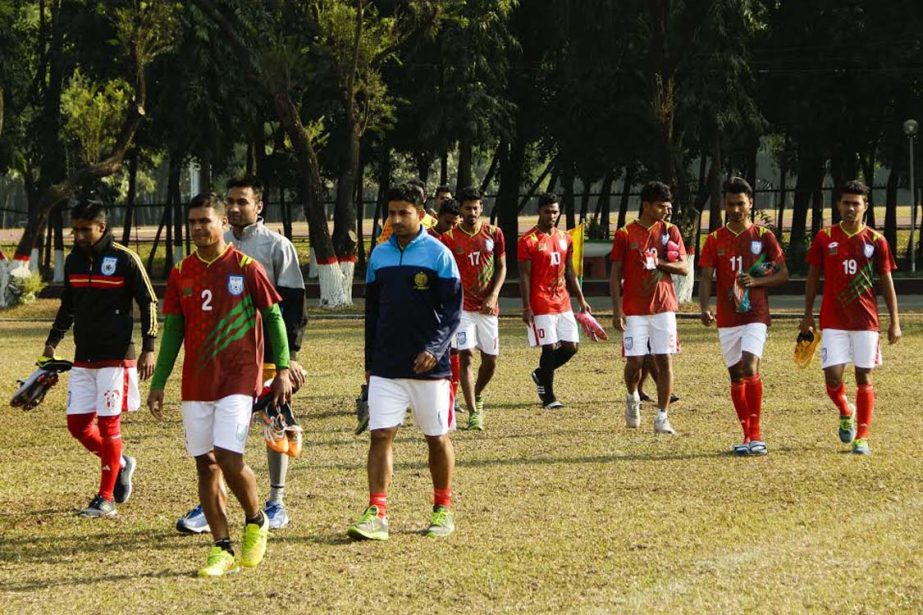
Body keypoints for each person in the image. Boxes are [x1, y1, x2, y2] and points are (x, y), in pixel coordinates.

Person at [148, 192, 292, 577]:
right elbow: (174, 331)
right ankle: (221, 547)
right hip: (196, 383)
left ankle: (256, 519)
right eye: (193, 222)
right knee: (205, 465)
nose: (198, 228)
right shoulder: (181, 272)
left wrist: (281, 368)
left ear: (223, 224)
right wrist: (159, 381)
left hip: (239, 378)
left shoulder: (246, 267)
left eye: (205, 221)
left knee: (229, 457)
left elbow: (274, 317)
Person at [175, 176, 307, 534]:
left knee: (273, 425)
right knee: (221, 440)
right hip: (222, 360)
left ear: (258, 206)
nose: (234, 209)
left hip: (264, 357)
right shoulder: (216, 241)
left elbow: (291, 306)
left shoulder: (277, 246)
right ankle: (211, 505)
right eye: (230, 202)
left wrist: (288, 358)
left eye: (242, 202)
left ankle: (276, 501)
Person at [347, 183, 462, 541]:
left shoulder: (440, 255)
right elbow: (372, 315)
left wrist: (435, 349)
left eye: (403, 213)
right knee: (380, 435)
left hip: (430, 368)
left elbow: (453, 313)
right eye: (391, 212)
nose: (396, 219)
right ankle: (377, 513)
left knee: (435, 437)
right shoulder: (379, 256)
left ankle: (442, 509)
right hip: (386, 366)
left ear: (420, 212)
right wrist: (369, 362)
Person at [43, 199, 157, 517]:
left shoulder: (124, 258)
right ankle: (120, 462)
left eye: (84, 229)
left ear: (101, 227)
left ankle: (105, 499)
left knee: (109, 425)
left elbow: (148, 301)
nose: (78, 235)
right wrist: (53, 340)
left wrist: (149, 347)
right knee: (78, 425)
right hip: (84, 355)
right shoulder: (73, 262)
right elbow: (69, 305)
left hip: (117, 356)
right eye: (75, 229)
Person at [800, 180, 901, 455]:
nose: (850, 208)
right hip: (832, 320)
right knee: (832, 378)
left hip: (866, 321)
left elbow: (887, 281)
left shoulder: (877, 241)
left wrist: (895, 321)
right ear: (838, 205)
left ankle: (862, 437)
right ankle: (846, 410)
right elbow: (812, 277)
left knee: (864, 376)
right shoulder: (824, 237)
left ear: (865, 207)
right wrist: (807, 313)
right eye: (846, 202)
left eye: (856, 203)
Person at [699, 177, 789, 455]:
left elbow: (783, 274)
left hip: (756, 314)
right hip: (728, 317)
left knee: (750, 367)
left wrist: (756, 282)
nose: (735, 209)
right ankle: (746, 435)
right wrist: (704, 306)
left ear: (750, 204)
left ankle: (756, 433)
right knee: (736, 376)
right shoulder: (714, 239)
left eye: (740, 203)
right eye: (730, 204)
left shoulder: (763, 237)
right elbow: (705, 277)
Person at [609, 181, 689, 434]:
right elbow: (615, 274)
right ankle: (632, 396)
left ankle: (662, 417)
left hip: (664, 305)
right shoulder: (625, 233)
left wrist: (660, 263)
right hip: (634, 308)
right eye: (661, 207)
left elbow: (684, 267)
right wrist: (616, 309)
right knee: (635, 361)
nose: (666, 211)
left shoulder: (670, 231)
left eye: (668, 206)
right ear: (646, 205)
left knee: (664, 359)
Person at [441, 187, 507, 430]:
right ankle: (472, 413)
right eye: (467, 208)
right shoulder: (449, 238)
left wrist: (493, 295)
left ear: (482, 208)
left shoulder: (494, 233)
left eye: (475, 207)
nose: (471, 212)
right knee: (466, 356)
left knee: (490, 361)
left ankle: (477, 394)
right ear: (461, 209)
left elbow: (502, 267)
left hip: (488, 308)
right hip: (462, 309)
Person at [518, 193, 591, 410]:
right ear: (539, 211)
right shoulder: (528, 241)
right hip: (540, 301)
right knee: (548, 348)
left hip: (563, 300)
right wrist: (526, 306)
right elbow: (524, 276)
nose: (552, 215)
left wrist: (581, 298)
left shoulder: (565, 238)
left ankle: (541, 373)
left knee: (571, 347)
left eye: (555, 211)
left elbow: (570, 271)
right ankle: (548, 396)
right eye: (547, 211)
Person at [376, 180, 437, 245]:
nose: (397, 220)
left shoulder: (433, 222)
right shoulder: (391, 221)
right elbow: (383, 241)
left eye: (404, 213)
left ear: (424, 197)